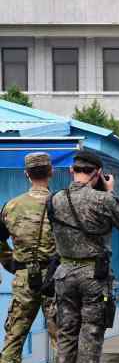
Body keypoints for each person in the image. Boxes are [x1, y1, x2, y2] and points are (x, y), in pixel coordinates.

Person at [48, 150, 119, 363]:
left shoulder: (54, 199)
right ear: (98, 174)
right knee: (91, 331)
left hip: (63, 274)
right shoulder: (102, 199)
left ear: (71, 171)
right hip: (93, 276)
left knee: (66, 333)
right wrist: (111, 191)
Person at [0, 152, 58, 363]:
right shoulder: (60, 204)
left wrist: (11, 262)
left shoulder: (11, 206)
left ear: (26, 174)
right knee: (62, 339)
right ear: (50, 172)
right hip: (55, 277)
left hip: (24, 277)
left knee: (14, 337)